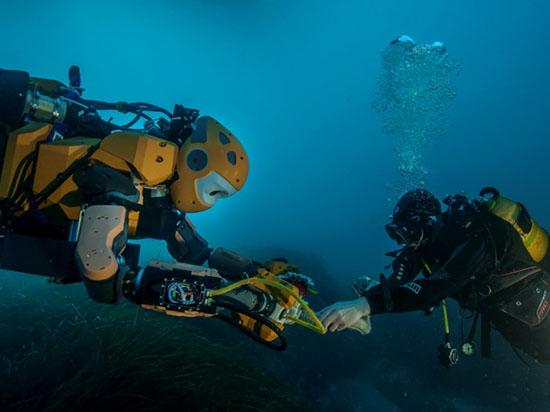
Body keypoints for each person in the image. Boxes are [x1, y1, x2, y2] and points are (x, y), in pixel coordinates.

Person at [0, 67, 325, 350]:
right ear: (195, 161)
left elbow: (197, 251)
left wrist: (255, 274)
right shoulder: (130, 164)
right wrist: (144, 285)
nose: (209, 201)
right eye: (213, 190)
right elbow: (96, 259)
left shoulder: (160, 197)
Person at [318, 188, 550, 366]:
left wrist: (364, 305)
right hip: (515, 317)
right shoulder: (432, 247)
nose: (403, 243)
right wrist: (374, 293)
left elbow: (435, 288)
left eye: (404, 233)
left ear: (424, 223)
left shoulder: (476, 236)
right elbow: (406, 281)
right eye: (397, 235)